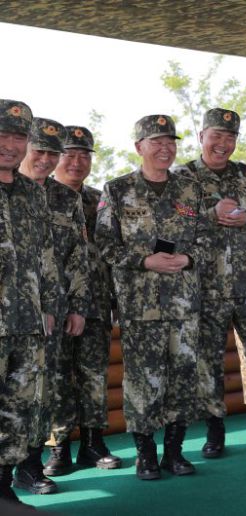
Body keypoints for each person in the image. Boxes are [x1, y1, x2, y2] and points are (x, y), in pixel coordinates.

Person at [95, 114, 208, 480]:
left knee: (183, 378)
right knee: (143, 381)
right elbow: (104, 244)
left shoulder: (191, 189)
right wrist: (144, 260)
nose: (165, 148)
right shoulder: (117, 190)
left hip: (183, 304)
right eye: (156, 142)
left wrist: (189, 257)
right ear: (139, 147)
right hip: (140, 307)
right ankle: (146, 455)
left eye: (170, 142)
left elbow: (208, 240)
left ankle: (175, 452)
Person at [174, 108, 246, 457]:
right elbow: (172, 227)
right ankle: (214, 429)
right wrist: (210, 214)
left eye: (230, 138)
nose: (223, 144)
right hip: (205, 287)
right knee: (208, 360)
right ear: (201, 136)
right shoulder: (183, 177)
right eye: (216, 136)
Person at [14, 118, 91, 495]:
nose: (44, 159)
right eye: (38, 150)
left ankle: (29, 468)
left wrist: (77, 305)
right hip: (10, 313)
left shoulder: (65, 198)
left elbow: (78, 255)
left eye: (52, 153)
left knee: (42, 392)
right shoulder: (9, 190)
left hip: (52, 312)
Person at [45, 126, 120, 478]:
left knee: (93, 375)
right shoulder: (39, 196)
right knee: (56, 377)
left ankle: (93, 442)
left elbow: (114, 253)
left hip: (96, 303)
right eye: (70, 154)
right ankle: (59, 447)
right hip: (53, 307)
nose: (77, 162)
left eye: (84, 155)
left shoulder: (100, 200)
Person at [0, 99, 57, 507]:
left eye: (19, 136)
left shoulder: (31, 194)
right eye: (2, 134)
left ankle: (4, 488)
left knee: (19, 410)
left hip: (27, 322)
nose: (10, 144)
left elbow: (46, 254)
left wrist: (50, 306)